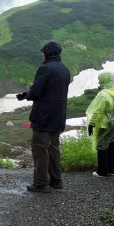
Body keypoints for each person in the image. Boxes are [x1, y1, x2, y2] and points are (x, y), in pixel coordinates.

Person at [16, 41, 71, 193]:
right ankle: (56, 181)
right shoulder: (65, 70)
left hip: (43, 116)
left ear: (47, 53)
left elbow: (36, 92)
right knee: (54, 148)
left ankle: (40, 183)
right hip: (58, 115)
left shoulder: (45, 68)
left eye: (42, 52)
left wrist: (25, 95)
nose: (41, 55)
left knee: (40, 149)